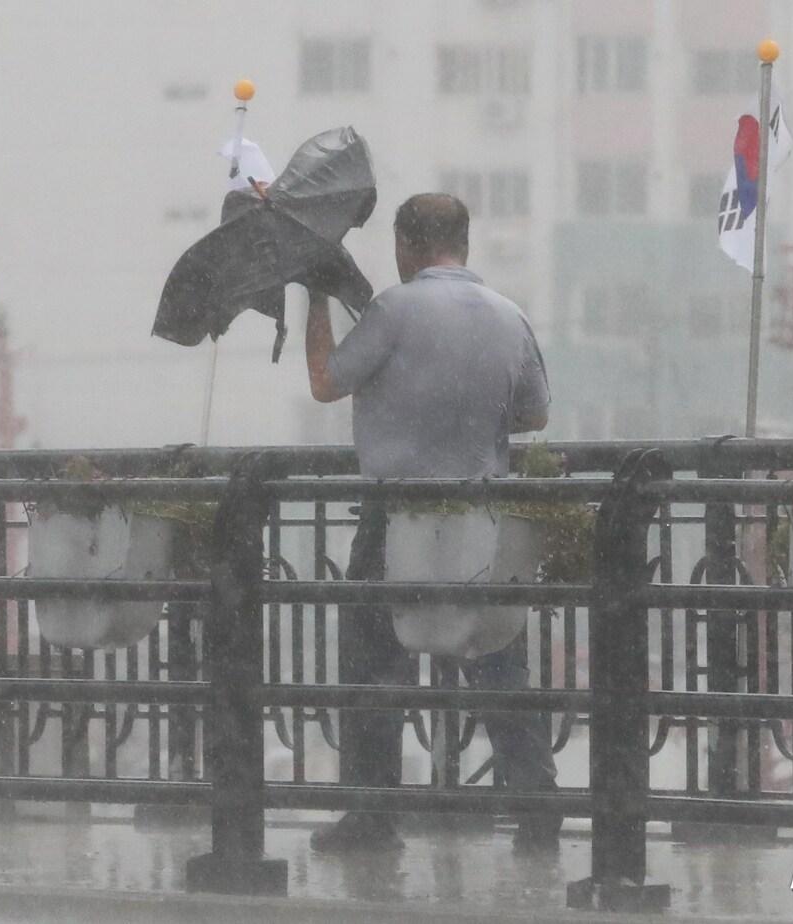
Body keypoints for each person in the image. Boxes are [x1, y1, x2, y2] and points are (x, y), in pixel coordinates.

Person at [304, 192, 559, 853]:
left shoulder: (393, 308)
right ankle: (536, 809)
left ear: (405, 246)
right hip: (483, 511)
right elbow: (535, 414)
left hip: (398, 514)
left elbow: (327, 381)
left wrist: (315, 301)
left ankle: (373, 815)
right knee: (498, 655)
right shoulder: (509, 316)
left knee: (375, 663)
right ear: (464, 244)